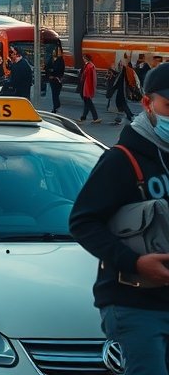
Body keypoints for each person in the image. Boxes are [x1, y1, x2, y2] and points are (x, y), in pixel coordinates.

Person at [69, 62, 169, 375]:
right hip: (135, 303)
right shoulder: (121, 160)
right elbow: (82, 222)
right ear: (147, 104)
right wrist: (134, 263)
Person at [108, 61, 136, 126]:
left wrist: (113, 89)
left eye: (120, 65)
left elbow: (118, 83)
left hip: (121, 92)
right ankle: (119, 118)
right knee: (120, 105)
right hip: (121, 92)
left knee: (122, 105)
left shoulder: (123, 73)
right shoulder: (122, 72)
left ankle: (130, 116)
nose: (119, 66)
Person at [79, 54, 101, 124]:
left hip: (86, 87)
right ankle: (83, 117)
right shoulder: (91, 65)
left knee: (89, 103)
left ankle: (95, 118)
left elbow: (84, 76)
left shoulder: (88, 66)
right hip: (88, 87)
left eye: (84, 58)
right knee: (87, 103)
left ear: (86, 59)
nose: (83, 59)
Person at [45, 48, 66, 112]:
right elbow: (47, 67)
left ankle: (57, 105)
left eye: (55, 52)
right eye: (53, 52)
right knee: (54, 94)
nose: (53, 53)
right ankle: (55, 107)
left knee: (56, 93)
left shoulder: (60, 60)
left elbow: (59, 69)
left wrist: (52, 70)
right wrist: (50, 72)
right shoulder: (51, 59)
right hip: (52, 79)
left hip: (58, 79)